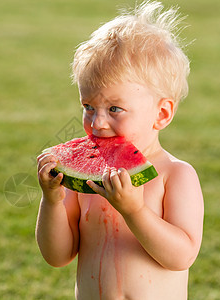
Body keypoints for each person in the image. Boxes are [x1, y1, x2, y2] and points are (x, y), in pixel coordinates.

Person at [36, 1, 204, 299]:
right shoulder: (84, 182)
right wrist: (52, 200)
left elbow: (181, 257)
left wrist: (135, 210)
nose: (97, 122)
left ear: (162, 114)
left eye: (115, 109)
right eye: (88, 107)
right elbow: (57, 256)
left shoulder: (176, 175)